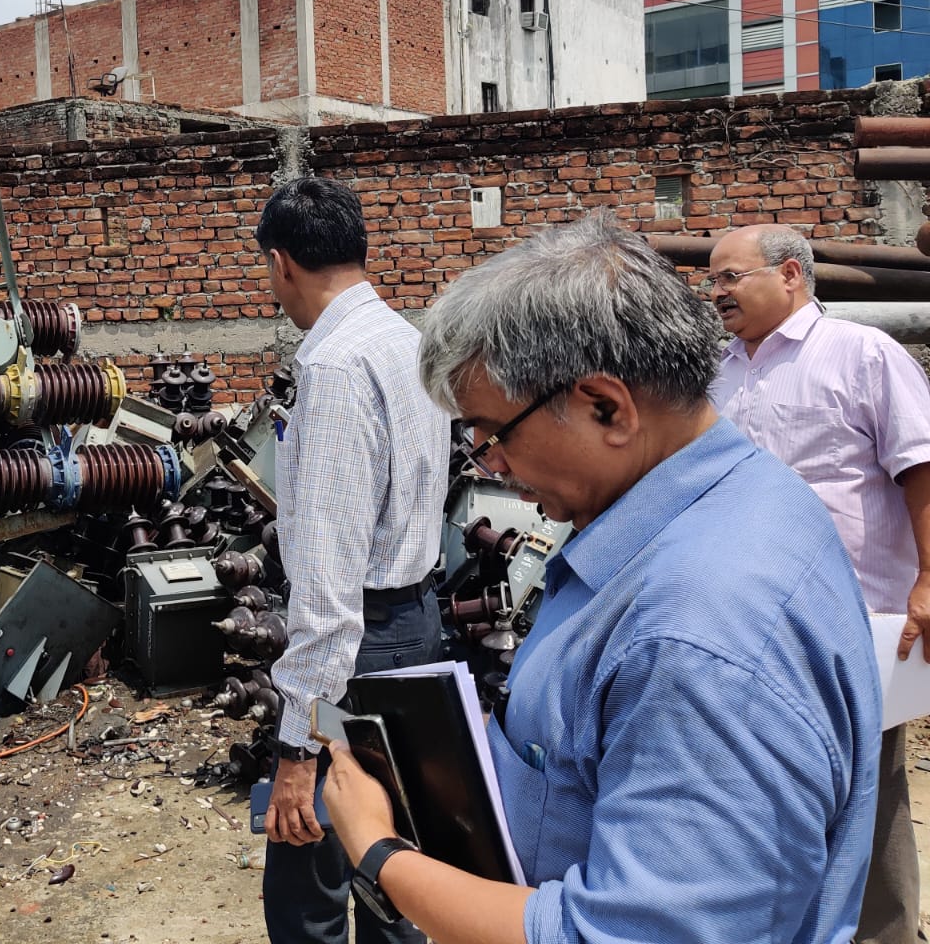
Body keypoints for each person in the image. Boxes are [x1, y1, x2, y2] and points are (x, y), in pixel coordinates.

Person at [322, 213, 880, 944]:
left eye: (493, 436)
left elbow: (620, 935)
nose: (491, 468)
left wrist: (379, 852)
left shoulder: (698, 634)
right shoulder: (730, 501)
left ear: (605, 406)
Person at [707, 222, 930, 944]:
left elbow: (920, 470)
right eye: (712, 279)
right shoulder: (717, 371)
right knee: (762, 786)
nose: (715, 293)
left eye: (730, 277)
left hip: (853, 618)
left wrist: (929, 580)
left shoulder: (862, 354)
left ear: (792, 275)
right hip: (745, 618)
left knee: (867, 791)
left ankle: (885, 934)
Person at [254, 176, 450, 944]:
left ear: (281, 264)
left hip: (355, 652)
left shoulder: (334, 367)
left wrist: (300, 749)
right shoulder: (404, 340)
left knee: (307, 876)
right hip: (415, 627)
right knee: (392, 868)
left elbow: (330, 585)